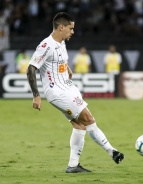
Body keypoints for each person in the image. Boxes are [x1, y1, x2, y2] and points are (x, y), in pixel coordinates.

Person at [26, 12, 124, 173]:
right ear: (61, 27)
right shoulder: (46, 45)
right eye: (71, 29)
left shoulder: (62, 43)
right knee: (89, 119)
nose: (73, 32)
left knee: (79, 126)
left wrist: (67, 69)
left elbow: (59, 61)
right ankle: (112, 151)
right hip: (58, 92)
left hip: (68, 87)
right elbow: (31, 68)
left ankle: (73, 165)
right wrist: (36, 95)